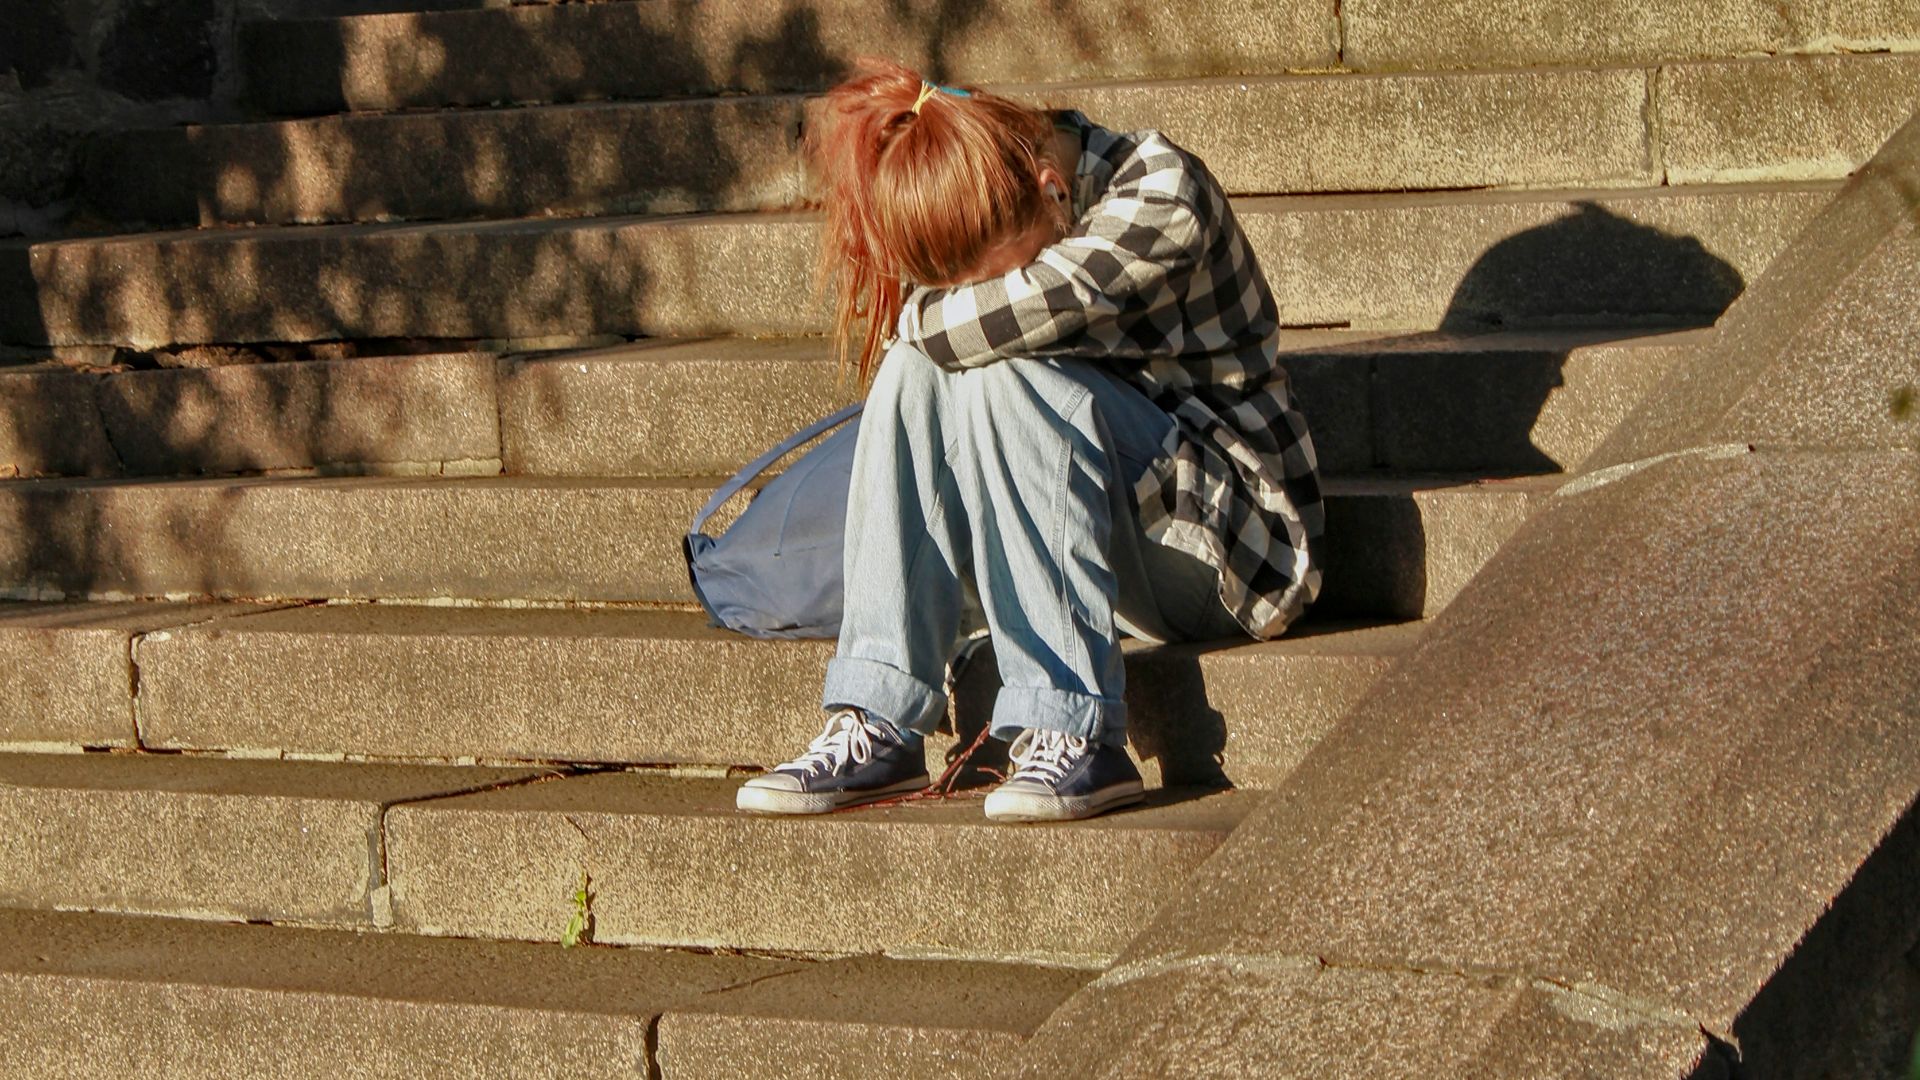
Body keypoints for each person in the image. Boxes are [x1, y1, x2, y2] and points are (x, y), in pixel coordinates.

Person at [735, 58, 1323, 822]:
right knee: (927, 371)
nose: (978, 293)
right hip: (1106, 545)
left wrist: (921, 319)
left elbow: (972, 325)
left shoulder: (1160, 191)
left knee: (990, 364)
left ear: (1052, 187)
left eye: (994, 274)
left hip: (1233, 550)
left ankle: (1073, 730)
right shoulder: (1019, 203)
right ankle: (878, 713)